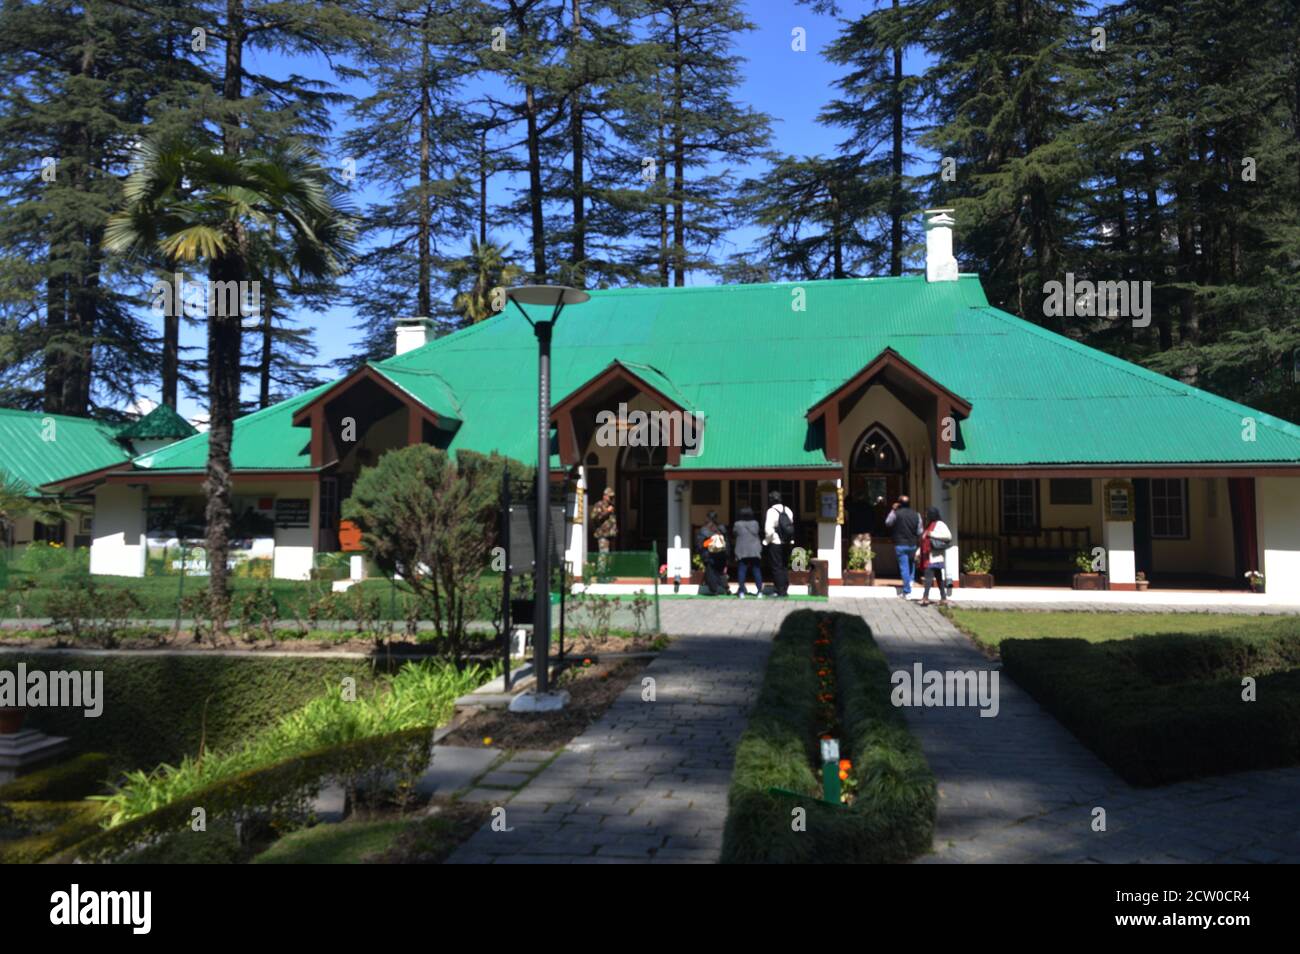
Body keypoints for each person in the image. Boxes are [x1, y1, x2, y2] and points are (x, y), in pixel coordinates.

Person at [885, 494, 922, 598]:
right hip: (913, 544)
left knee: (904, 567)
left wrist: (893, 509)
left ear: (899, 503)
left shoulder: (896, 513)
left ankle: (907, 591)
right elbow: (920, 530)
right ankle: (910, 581)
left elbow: (888, 522)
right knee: (911, 564)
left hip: (900, 543)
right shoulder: (916, 514)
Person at [918, 506, 953, 607]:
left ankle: (925, 598)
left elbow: (948, 536)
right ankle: (943, 598)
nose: (925, 515)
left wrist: (931, 533)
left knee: (928, 577)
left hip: (935, 556)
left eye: (927, 513)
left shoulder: (939, 524)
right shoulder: (929, 525)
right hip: (928, 555)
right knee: (938, 578)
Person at [763, 490, 794, 598]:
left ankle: (779, 590)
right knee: (784, 566)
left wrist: (766, 541)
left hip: (776, 542)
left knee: (776, 567)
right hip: (787, 542)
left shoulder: (771, 511)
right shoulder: (788, 510)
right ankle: (785, 588)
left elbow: (769, 530)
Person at [731, 506, 764, 599]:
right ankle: (759, 592)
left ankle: (741, 592)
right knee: (756, 571)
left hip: (742, 550)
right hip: (754, 550)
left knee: (742, 570)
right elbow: (757, 532)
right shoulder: (755, 523)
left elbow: (734, 533)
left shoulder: (737, 524)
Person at [697, 511, 729, 596]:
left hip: (710, 554)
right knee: (721, 572)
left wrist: (707, 544)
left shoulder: (704, 529)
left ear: (707, 518)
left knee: (711, 573)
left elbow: (701, 544)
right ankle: (726, 587)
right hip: (721, 554)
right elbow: (726, 541)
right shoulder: (721, 528)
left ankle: (714, 590)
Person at [590, 488, 617, 571]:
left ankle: (608, 572)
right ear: (605, 496)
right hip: (603, 534)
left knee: (610, 556)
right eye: (610, 497)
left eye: (613, 497)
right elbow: (595, 517)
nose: (612, 499)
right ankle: (601, 574)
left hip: (611, 534)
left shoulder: (611, 506)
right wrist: (607, 512)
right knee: (603, 554)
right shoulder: (599, 505)